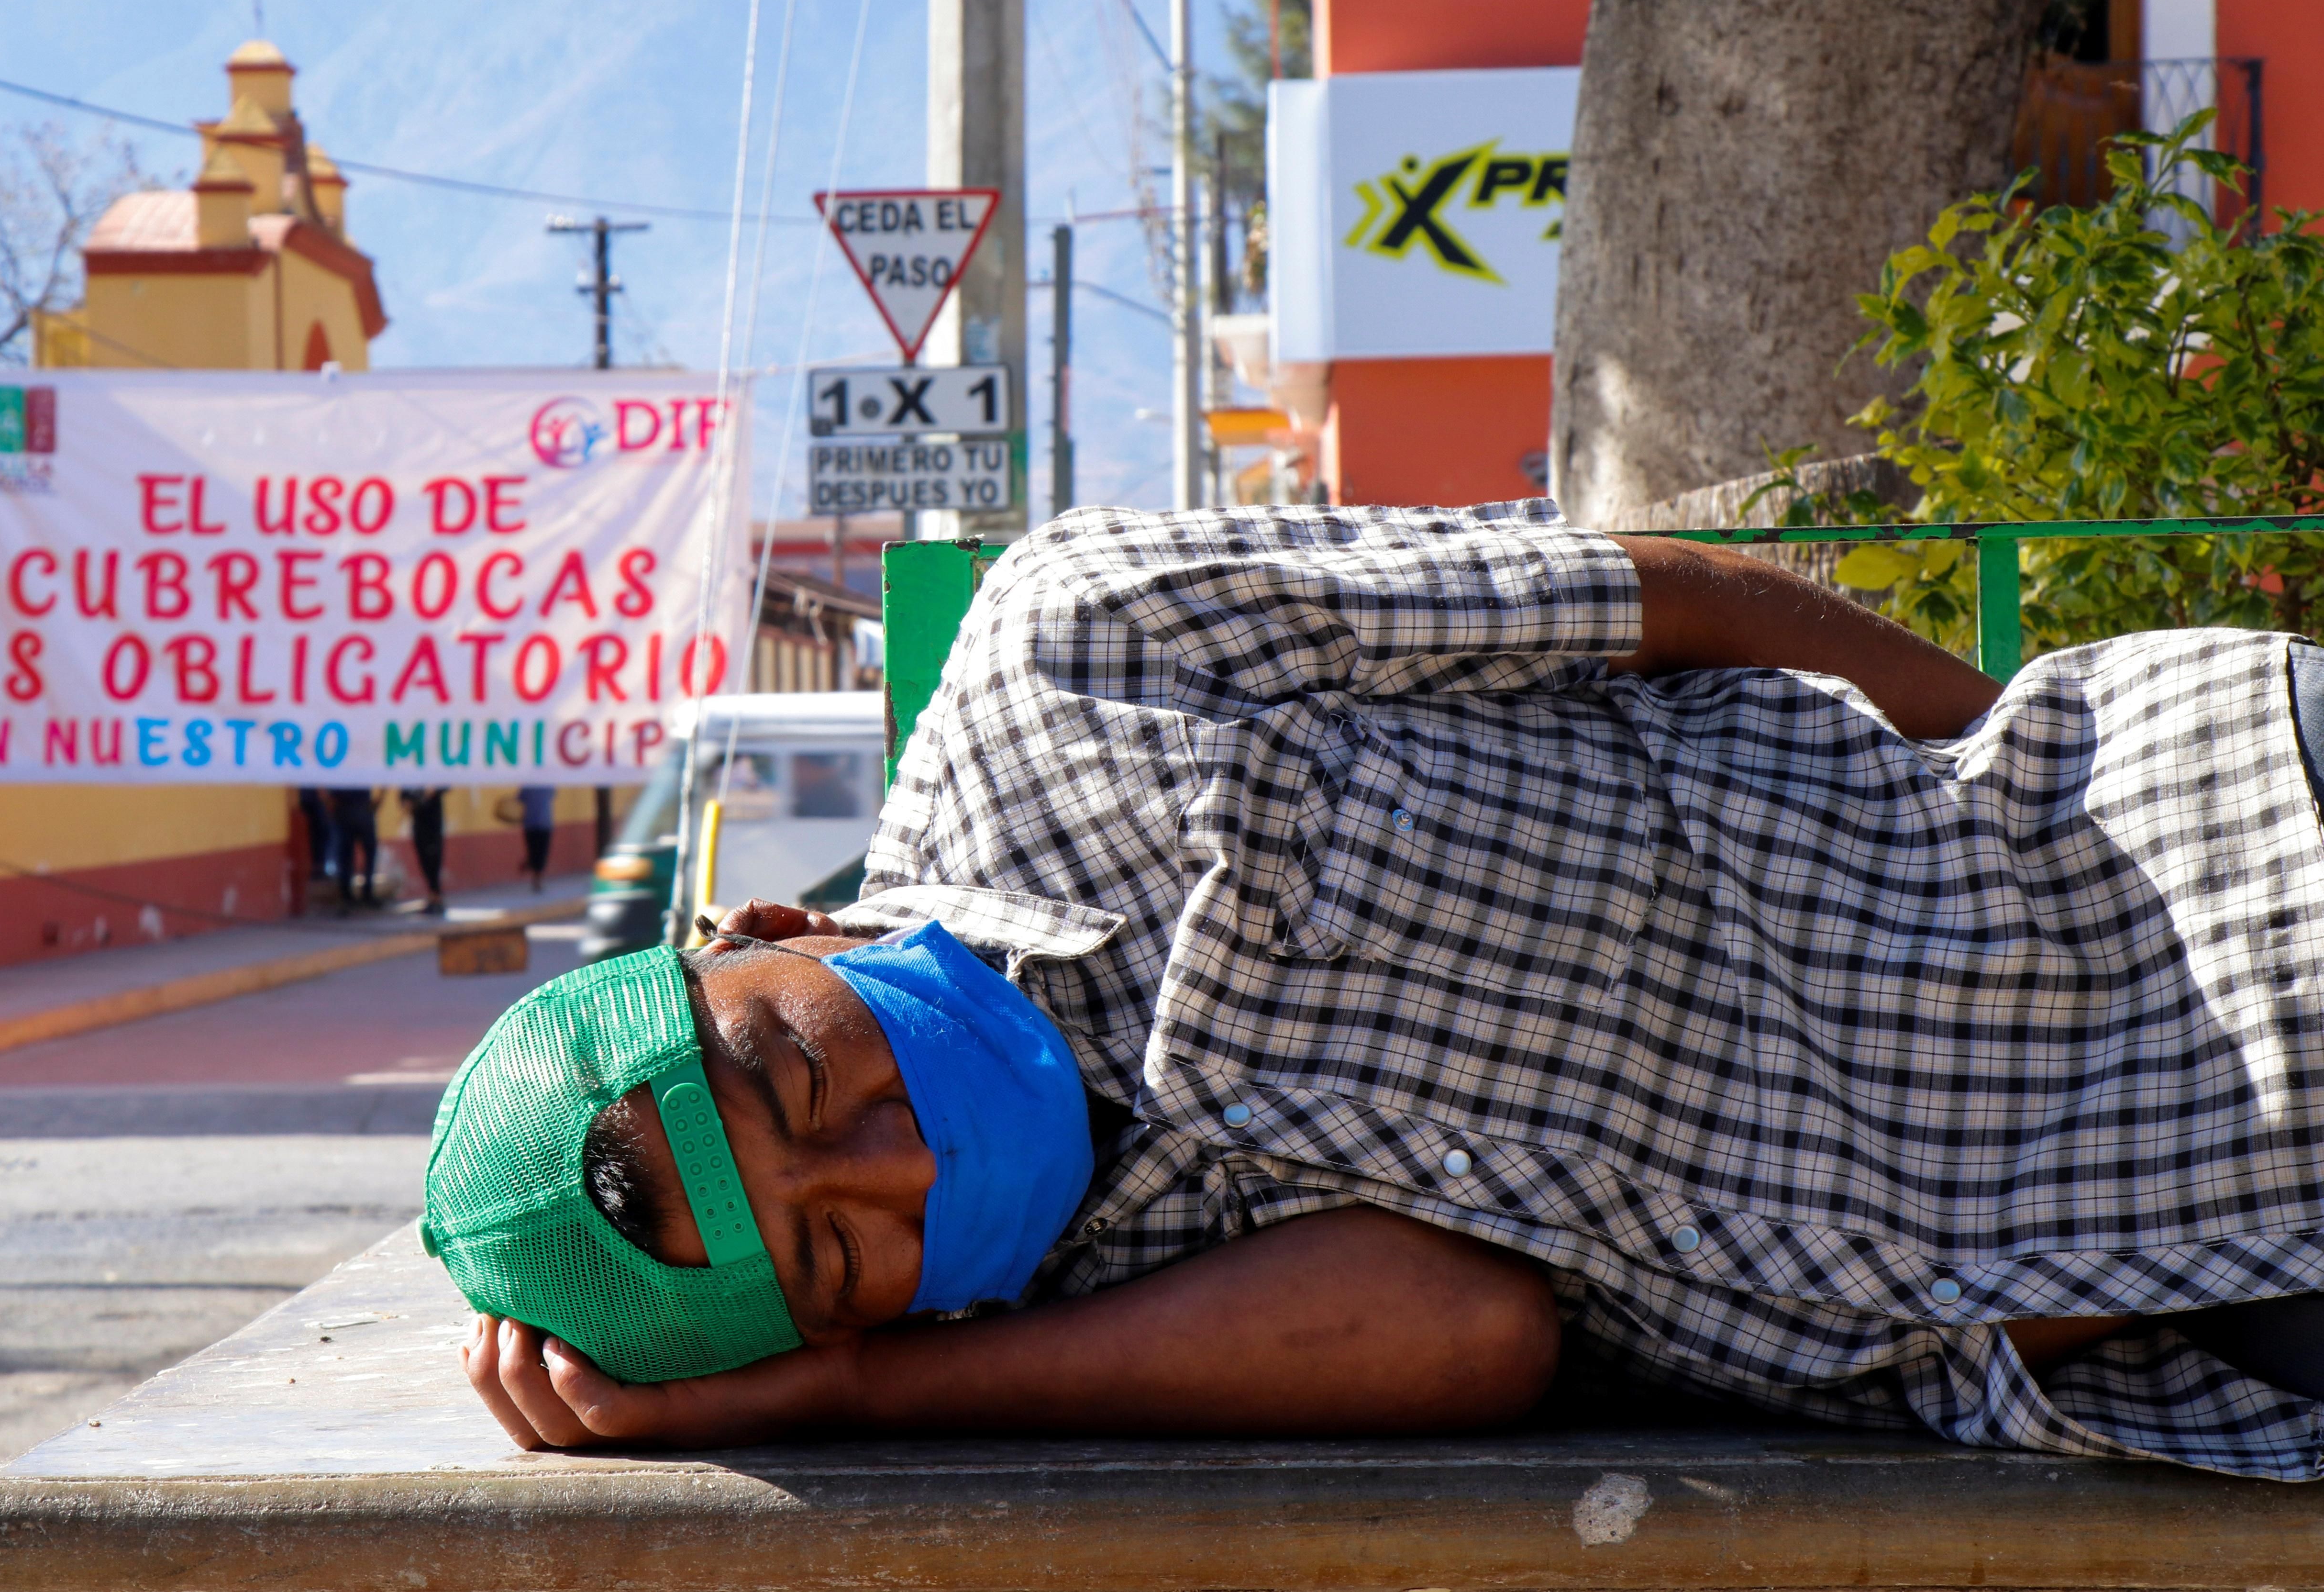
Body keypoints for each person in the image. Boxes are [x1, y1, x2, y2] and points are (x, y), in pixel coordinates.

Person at [435, 503, 2324, 1483]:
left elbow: (1649, 597)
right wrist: (855, 1390)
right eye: (844, 1250)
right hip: (2222, 1279)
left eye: (802, 1079)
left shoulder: (1068, 653)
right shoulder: (1088, 1300)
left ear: (766, 925)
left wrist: (2004, 758)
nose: (900, 1164)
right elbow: (1465, 1329)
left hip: (2233, 850)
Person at [400, 786, 449, 915]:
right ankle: (432, 895)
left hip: (433, 823)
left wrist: (432, 791)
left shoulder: (433, 773)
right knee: (424, 860)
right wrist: (408, 803)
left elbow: (446, 785)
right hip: (419, 823)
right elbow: (403, 797)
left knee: (434, 859)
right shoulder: (410, 779)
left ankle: (436, 896)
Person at [329, 786, 380, 910]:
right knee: (357, 854)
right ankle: (362, 893)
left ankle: (349, 895)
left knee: (347, 855)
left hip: (348, 809)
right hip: (356, 809)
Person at [516, 786, 556, 894]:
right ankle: (536, 876)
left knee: (535, 851)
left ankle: (535, 874)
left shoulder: (528, 786)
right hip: (543, 823)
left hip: (532, 823)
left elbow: (519, 799)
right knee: (540, 852)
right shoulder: (548, 787)